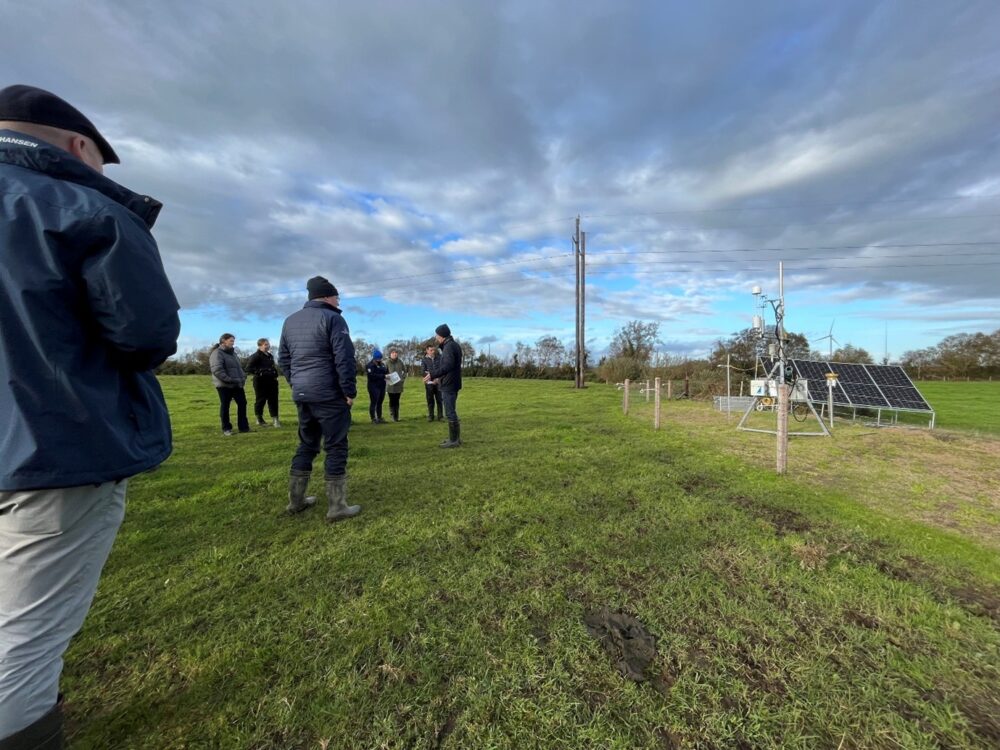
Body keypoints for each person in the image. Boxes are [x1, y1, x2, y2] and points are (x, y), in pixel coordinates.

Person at [0, 84, 180, 747]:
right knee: (24, 634)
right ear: (81, 147)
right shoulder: (79, 205)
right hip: (54, 444)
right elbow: (144, 333)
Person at [278, 276, 361, 522]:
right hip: (329, 394)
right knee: (336, 445)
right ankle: (337, 507)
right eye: (337, 296)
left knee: (307, 444)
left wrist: (297, 383)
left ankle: (296, 501)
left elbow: (284, 359)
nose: (338, 300)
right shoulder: (334, 319)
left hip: (302, 394)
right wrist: (349, 391)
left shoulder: (289, 321)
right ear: (326, 296)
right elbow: (343, 358)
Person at [423, 324, 463, 448]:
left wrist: (433, 374)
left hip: (449, 384)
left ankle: (454, 441)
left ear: (441, 335)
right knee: (451, 411)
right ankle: (454, 438)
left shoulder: (449, 347)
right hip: (452, 382)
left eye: (437, 335)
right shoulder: (452, 345)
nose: (436, 338)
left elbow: (448, 366)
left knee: (450, 412)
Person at [210, 334, 250, 435]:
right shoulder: (217, 353)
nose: (233, 343)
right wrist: (229, 379)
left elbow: (238, 368)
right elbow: (217, 369)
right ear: (223, 341)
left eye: (233, 341)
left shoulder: (233, 354)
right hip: (224, 385)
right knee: (225, 406)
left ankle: (243, 427)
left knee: (242, 404)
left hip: (237, 384)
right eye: (231, 341)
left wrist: (243, 377)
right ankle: (226, 429)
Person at [245, 337, 281, 427]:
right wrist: (260, 372)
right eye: (265, 344)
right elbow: (248, 368)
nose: (268, 346)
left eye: (268, 344)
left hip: (272, 382)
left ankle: (275, 420)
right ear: (260, 345)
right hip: (260, 382)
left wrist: (275, 374)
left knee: (273, 400)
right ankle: (259, 419)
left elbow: (272, 367)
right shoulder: (255, 356)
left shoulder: (270, 356)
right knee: (261, 400)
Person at [365, 349, 388, 424]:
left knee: (380, 402)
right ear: (374, 357)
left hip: (382, 386)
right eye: (378, 358)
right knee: (374, 402)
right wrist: (383, 376)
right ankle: (373, 418)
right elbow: (371, 376)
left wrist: (388, 375)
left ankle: (379, 417)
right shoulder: (370, 365)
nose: (379, 359)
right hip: (373, 387)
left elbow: (386, 371)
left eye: (380, 358)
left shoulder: (382, 364)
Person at [422, 344, 444, 421]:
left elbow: (442, 369)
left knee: (439, 400)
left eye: (434, 350)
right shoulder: (424, 360)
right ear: (427, 351)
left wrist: (438, 379)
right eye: (431, 350)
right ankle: (431, 416)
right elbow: (423, 371)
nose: (433, 352)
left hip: (438, 382)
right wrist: (431, 379)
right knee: (430, 400)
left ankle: (440, 416)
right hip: (429, 383)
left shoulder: (439, 358)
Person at [385, 348, 407, 422]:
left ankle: (396, 417)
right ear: (390, 354)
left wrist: (402, 379)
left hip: (399, 385)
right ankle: (392, 416)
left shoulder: (400, 362)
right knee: (392, 400)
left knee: (397, 400)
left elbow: (405, 371)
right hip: (390, 386)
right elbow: (384, 373)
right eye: (393, 352)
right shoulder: (387, 362)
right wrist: (388, 378)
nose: (395, 354)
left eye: (396, 352)